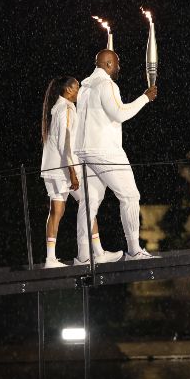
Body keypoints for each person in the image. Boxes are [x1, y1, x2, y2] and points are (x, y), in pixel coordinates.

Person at [73, 49, 159, 262]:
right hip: (105, 151)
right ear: (109, 64)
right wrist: (144, 99)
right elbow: (119, 113)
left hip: (83, 151)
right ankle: (134, 250)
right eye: (117, 63)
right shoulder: (107, 85)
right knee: (130, 196)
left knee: (90, 201)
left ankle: (84, 255)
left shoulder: (84, 87)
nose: (119, 67)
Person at [39, 76, 122, 268]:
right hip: (61, 169)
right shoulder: (65, 109)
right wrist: (73, 172)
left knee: (86, 201)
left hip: (59, 167)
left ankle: (95, 252)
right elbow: (64, 143)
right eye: (76, 88)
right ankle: (53, 259)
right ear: (68, 90)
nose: (79, 91)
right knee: (60, 209)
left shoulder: (62, 108)